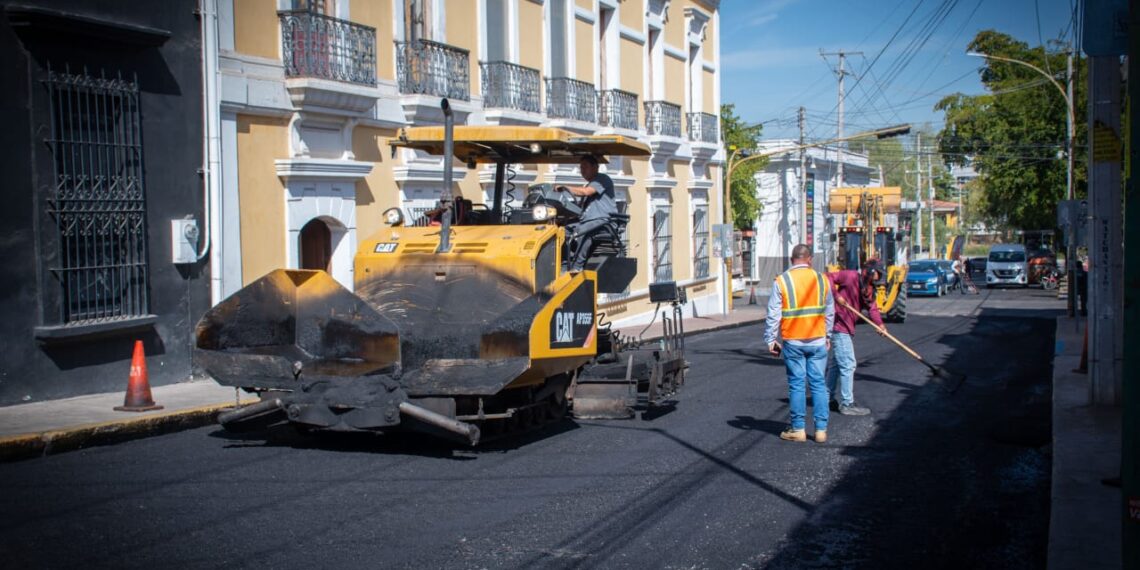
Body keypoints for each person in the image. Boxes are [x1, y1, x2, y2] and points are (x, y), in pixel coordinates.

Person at [765, 244, 835, 443]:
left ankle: (798, 429)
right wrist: (827, 335)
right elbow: (830, 311)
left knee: (797, 384)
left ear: (791, 259)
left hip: (793, 340)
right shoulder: (822, 280)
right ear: (809, 259)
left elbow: (773, 314)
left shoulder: (782, 281)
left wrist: (771, 340)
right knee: (819, 384)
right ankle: (821, 430)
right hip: (818, 340)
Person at [825, 262, 887, 416]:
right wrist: (836, 295)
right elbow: (827, 278)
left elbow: (872, 307)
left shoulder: (868, 290)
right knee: (848, 364)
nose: (875, 282)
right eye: (874, 278)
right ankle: (847, 404)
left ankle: (826, 398)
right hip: (839, 326)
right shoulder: (850, 276)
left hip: (846, 327)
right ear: (869, 272)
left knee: (836, 365)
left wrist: (880, 324)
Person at [558, 155, 618, 273]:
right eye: (581, 167)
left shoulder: (602, 179)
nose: (582, 170)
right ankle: (565, 264)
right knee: (563, 230)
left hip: (604, 222)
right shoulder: (589, 184)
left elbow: (586, 192)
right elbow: (580, 211)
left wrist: (565, 188)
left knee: (586, 229)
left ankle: (577, 266)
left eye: (585, 166)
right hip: (588, 221)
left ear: (595, 167)